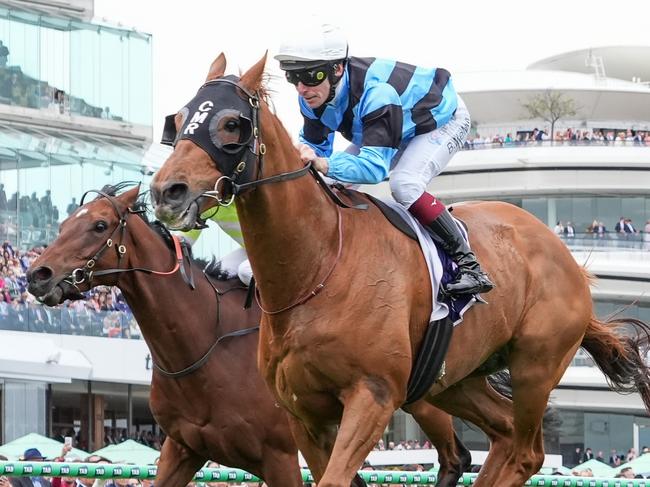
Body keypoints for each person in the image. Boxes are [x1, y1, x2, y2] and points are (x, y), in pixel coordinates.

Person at [274, 23, 494, 296]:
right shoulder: (311, 96)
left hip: (439, 120)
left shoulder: (378, 94)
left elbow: (374, 168)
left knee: (405, 184)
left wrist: (324, 163)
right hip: (393, 123)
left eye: (310, 76)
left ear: (337, 69)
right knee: (326, 179)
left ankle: (470, 265)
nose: (302, 88)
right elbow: (315, 149)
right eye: (292, 77)